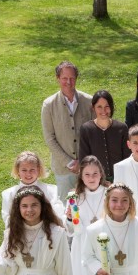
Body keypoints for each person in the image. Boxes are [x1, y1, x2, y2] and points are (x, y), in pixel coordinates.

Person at [41, 61, 94, 200]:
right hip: (63, 170)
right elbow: (49, 139)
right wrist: (70, 162)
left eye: (72, 78)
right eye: (64, 78)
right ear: (57, 78)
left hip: (89, 168)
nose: (68, 82)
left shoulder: (89, 102)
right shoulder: (48, 105)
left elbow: (94, 134)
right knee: (68, 210)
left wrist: (84, 161)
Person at [67, 156, 107, 275]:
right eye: (87, 174)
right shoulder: (75, 197)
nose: (91, 178)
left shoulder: (109, 194)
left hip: (104, 243)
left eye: (95, 174)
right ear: (81, 177)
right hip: (82, 243)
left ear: (101, 175)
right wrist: (69, 217)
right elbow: (70, 228)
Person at [78, 90, 131, 183]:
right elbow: (84, 160)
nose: (103, 111)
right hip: (96, 181)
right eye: (99, 107)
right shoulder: (86, 129)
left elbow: (127, 157)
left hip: (121, 179)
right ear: (93, 108)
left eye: (107, 106)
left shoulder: (121, 128)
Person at [1, 150, 63, 226]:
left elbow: (59, 214)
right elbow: (7, 219)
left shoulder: (52, 190)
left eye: (32, 170)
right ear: (18, 171)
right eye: (24, 170)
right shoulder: (8, 194)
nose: (28, 173)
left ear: (39, 170)